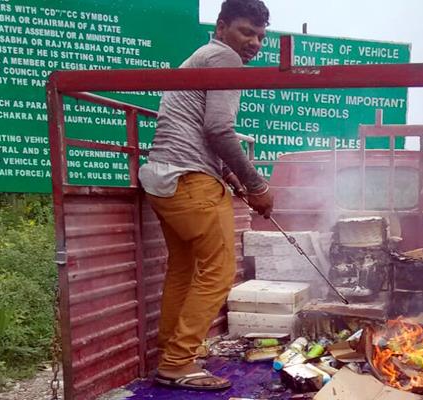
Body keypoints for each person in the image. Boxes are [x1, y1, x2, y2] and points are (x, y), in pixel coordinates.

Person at [139, 0, 273, 391]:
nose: (254, 43)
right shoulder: (224, 59)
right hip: (190, 180)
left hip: (163, 177)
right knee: (218, 272)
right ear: (222, 25)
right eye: (247, 31)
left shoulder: (202, 57)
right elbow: (219, 130)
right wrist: (257, 186)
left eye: (261, 37)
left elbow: (202, 133)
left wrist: (230, 175)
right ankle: (179, 362)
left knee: (183, 268)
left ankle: (175, 354)